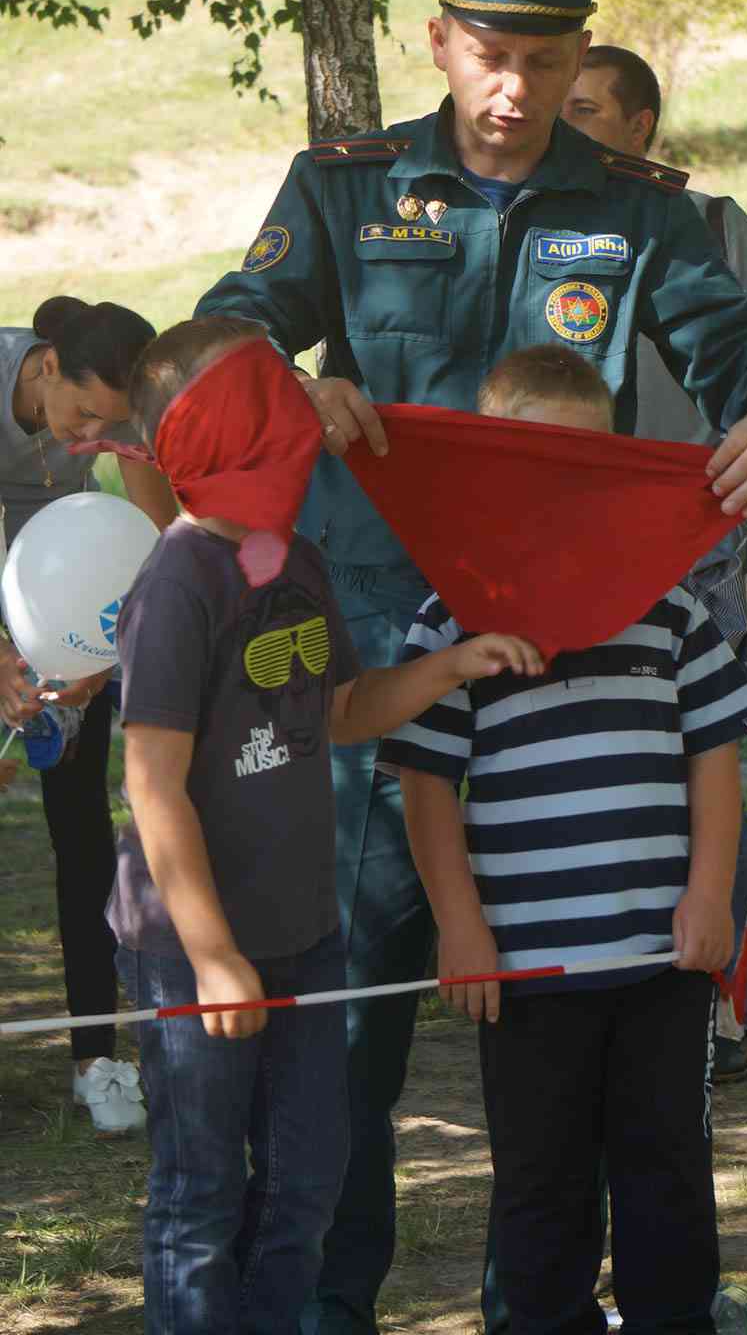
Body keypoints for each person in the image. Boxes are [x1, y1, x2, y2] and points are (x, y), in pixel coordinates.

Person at [194, 0, 747, 1335]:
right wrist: (282, 382)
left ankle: (535, 1310)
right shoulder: (344, 190)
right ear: (440, 41)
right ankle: (327, 1308)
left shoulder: (636, 212)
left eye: (547, 61)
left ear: (579, 58)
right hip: (384, 672)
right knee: (348, 1030)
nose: (516, 89)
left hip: (578, 684)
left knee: (571, 1050)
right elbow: (229, 327)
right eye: (491, 54)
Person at [108, 316, 543, 1335]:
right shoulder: (176, 584)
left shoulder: (295, 559)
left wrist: (448, 666)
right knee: (202, 1190)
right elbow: (153, 786)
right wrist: (213, 956)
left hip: (306, 936)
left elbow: (344, 709)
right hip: (192, 952)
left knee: (307, 1177)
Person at [381, 343, 747, 1335]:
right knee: (541, 1180)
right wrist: (460, 927)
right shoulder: (452, 620)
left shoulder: (669, 606)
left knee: (667, 1169)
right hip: (524, 973)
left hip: (662, 964)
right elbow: (426, 782)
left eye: (580, 465)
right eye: (531, 466)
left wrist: (711, 895)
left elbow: (714, 754)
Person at [562, 44, 747, 1080]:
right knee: (585, 763)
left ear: (640, 126)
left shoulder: (716, 228)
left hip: (695, 550)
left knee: (704, 762)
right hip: (567, 543)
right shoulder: (537, 228)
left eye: (586, 109)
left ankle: (725, 1002)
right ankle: (597, 980)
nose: (563, 123)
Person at [0, 295, 177, 1133]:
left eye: (107, 424)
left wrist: (102, 661)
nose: (89, 437)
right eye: (81, 415)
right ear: (46, 367)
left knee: (82, 840)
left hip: (71, 609)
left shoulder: (115, 412)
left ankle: (95, 1059)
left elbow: (161, 540)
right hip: (17, 603)